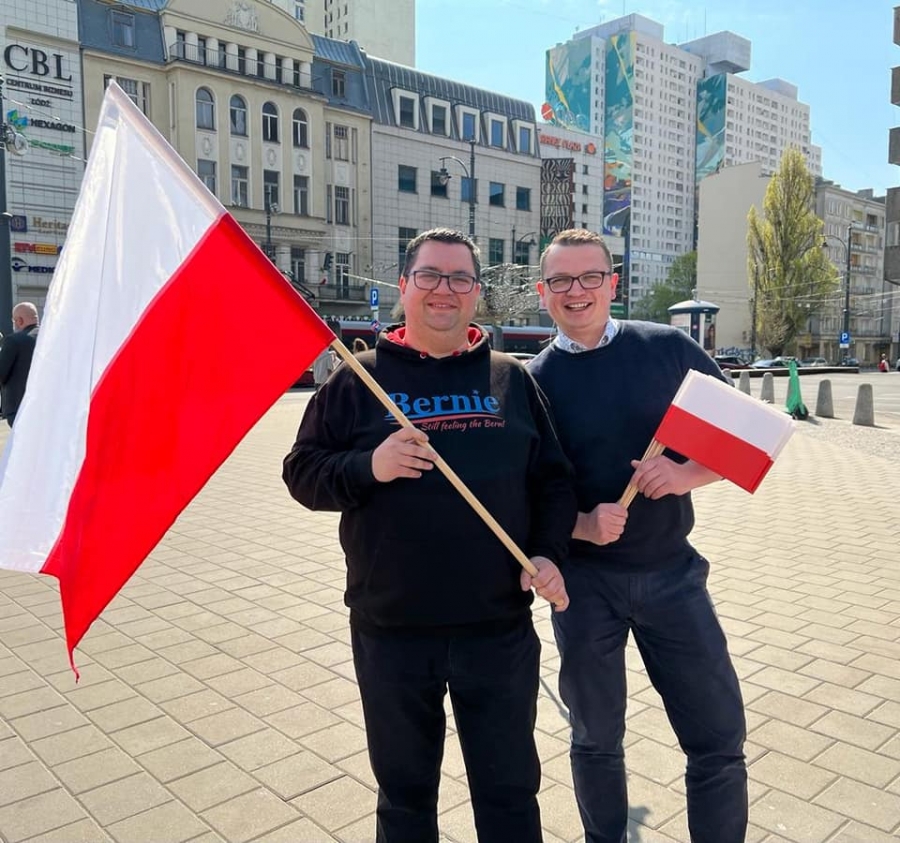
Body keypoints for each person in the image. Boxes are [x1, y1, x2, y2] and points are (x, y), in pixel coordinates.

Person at [283, 227, 577, 843]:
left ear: (476, 293)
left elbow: (552, 482)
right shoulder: (357, 379)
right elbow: (301, 474)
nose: (445, 289)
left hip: (497, 630)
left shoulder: (511, 379)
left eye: (460, 278)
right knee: (405, 797)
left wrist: (548, 553)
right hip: (391, 631)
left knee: (509, 792)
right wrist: (370, 466)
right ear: (404, 286)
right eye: (430, 276)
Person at [528, 229, 747, 843]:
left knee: (718, 739)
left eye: (590, 277)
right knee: (596, 739)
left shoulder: (667, 350)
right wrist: (582, 524)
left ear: (613, 284)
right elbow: (524, 493)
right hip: (584, 587)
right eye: (561, 280)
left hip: (673, 576)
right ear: (543, 292)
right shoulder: (531, 382)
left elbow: (745, 439)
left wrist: (684, 475)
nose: (576, 291)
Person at [0, 303, 40, 428]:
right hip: (47, 406)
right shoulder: (49, 338)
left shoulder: (14, 341)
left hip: (19, 407)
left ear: (19, 321)